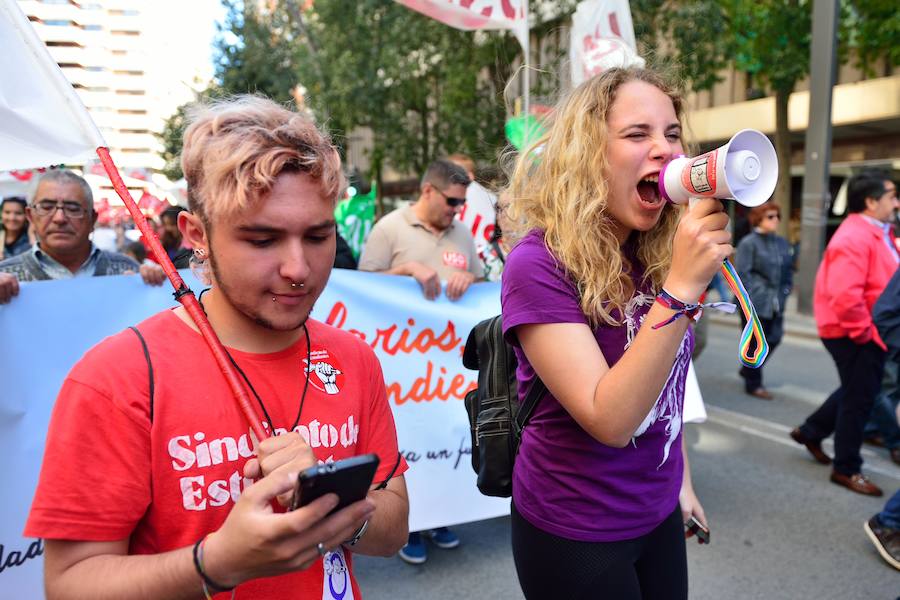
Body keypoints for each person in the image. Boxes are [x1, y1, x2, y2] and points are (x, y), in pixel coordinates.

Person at [23, 96, 410, 598]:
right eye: (262, 240)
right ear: (195, 235)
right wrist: (214, 564)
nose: (298, 268)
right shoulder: (115, 379)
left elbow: (395, 525)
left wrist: (333, 506)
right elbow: (70, 584)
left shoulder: (354, 358)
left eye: (318, 236)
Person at [502, 67, 728, 599]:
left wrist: (682, 483)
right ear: (588, 152)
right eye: (637, 134)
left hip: (657, 513)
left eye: (672, 134)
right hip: (575, 529)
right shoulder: (538, 263)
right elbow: (610, 420)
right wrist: (681, 288)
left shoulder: (655, 252)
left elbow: (665, 384)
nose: (665, 150)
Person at [790, 169, 898, 497]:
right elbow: (846, 294)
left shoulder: (879, 231)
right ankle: (846, 467)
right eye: (892, 195)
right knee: (859, 398)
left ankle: (811, 431)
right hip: (855, 331)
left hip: (868, 329)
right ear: (870, 201)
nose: (896, 202)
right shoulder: (855, 236)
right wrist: (864, 333)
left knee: (857, 389)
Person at [0, 170, 166, 303]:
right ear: (30, 216)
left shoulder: (125, 271)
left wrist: (154, 288)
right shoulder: (5, 276)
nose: (59, 218)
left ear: (92, 219)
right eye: (47, 207)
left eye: (73, 209)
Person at [359, 159, 482, 301]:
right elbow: (363, 286)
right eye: (452, 201)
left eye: (462, 202)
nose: (458, 209)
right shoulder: (387, 228)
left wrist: (470, 278)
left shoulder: (464, 232)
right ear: (427, 191)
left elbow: (481, 286)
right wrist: (406, 270)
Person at [734, 201, 792, 399]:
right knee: (755, 344)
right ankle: (754, 384)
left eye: (777, 216)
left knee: (775, 337)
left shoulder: (781, 243)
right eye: (770, 216)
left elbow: (787, 270)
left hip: (776, 301)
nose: (775, 220)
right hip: (754, 302)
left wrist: (786, 290)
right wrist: (752, 297)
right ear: (758, 218)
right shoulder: (748, 243)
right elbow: (742, 274)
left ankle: (748, 369)